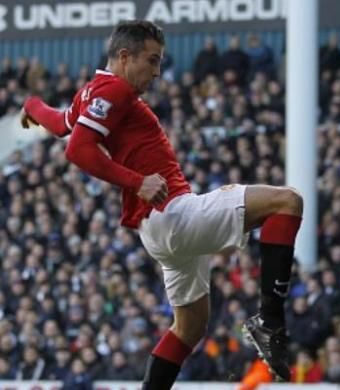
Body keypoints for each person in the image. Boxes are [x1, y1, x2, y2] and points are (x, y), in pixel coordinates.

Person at [19, 20, 302, 386]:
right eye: (151, 61)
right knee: (287, 202)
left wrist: (31, 104)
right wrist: (137, 181)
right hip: (172, 214)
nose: (157, 72)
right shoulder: (115, 89)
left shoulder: (92, 93)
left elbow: (60, 125)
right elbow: (77, 150)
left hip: (159, 229)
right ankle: (271, 322)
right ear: (124, 56)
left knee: (189, 327)